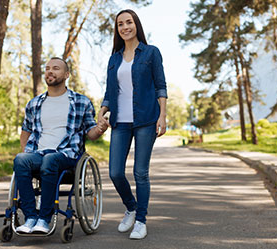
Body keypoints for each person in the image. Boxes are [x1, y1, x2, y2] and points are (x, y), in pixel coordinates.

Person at [14, 57, 108, 234]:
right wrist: (26, 151)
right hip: (38, 153)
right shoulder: (34, 103)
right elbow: (26, 130)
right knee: (20, 159)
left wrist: (100, 129)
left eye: (56, 68)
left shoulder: (81, 102)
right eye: (48, 68)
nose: (50, 71)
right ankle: (30, 218)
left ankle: (44, 219)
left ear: (66, 75)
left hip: (67, 155)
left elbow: (91, 132)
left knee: (50, 159)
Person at [98, 9, 167, 240]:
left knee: (140, 173)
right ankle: (131, 206)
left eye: (129, 22)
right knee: (115, 172)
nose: (125, 27)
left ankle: (141, 220)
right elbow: (110, 91)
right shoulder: (114, 58)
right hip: (120, 121)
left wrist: (163, 115)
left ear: (136, 24)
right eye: (120, 24)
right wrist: (102, 111)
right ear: (117, 29)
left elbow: (160, 86)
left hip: (146, 119)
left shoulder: (151, 53)